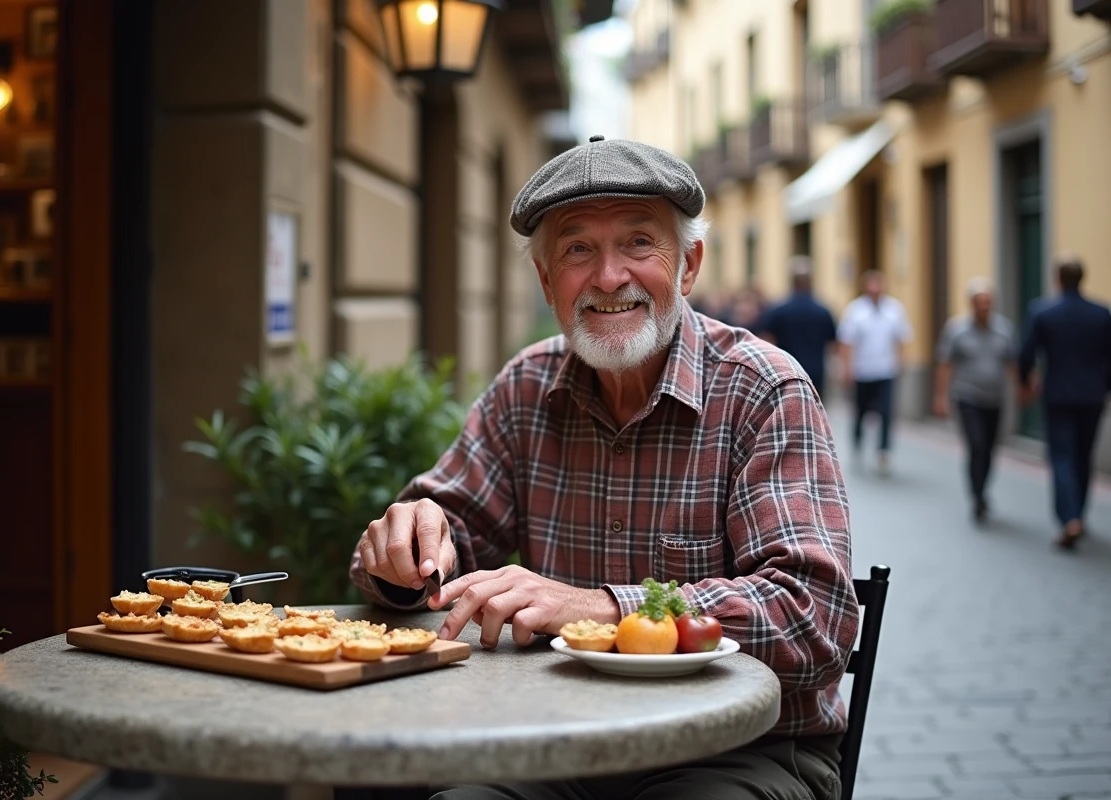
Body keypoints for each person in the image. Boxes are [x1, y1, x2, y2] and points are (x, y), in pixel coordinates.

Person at [350, 135, 858, 800]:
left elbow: (812, 617)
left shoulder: (764, 388)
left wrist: (598, 609)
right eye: (577, 249)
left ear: (688, 265)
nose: (609, 276)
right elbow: (438, 545)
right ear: (546, 281)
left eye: (639, 243)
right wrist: (405, 554)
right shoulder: (525, 388)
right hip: (557, 743)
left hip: (742, 750)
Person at [1018, 255, 1111, 550]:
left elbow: (1026, 353)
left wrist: (1025, 383)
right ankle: (1079, 514)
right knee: (1083, 456)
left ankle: (1069, 517)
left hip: (1058, 394)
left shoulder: (1043, 311)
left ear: (1057, 278)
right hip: (1092, 396)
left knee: (1061, 456)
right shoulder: (1101, 313)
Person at [933, 277, 1017, 522]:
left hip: (995, 398)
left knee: (990, 448)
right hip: (967, 396)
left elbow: (1011, 362)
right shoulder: (956, 329)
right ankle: (977, 493)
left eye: (988, 302)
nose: (984, 306)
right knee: (977, 444)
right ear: (971, 303)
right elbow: (945, 364)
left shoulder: (1004, 329)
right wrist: (940, 396)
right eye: (979, 302)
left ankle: (982, 488)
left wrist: (1021, 388)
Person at [837, 270, 913, 475]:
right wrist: (847, 369)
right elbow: (847, 342)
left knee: (886, 412)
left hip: (886, 370)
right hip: (862, 371)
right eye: (871, 285)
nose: (875, 289)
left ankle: (883, 451)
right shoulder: (855, 310)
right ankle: (858, 443)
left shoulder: (895, 309)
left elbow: (901, 338)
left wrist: (900, 362)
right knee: (860, 411)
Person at [758, 256, 838, 401]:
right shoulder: (823, 310)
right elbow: (833, 344)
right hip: (816, 372)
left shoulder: (779, 310)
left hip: (786, 372)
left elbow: (767, 342)